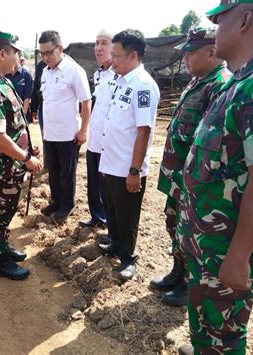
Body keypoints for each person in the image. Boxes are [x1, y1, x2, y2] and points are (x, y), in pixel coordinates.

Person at [176, 1, 253, 354]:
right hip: (206, 246)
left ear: (246, 20)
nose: (214, 27)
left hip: (225, 251)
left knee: (223, 338)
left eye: (220, 19)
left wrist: (239, 255)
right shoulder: (235, 84)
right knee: (206, 328)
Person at [149, 28, 230, 308]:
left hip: (195, 180)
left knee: (191, 234)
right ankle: (178, 272)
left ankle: (189, 285)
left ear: (211, 51)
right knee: (174, 225)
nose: (185, 58)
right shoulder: (198, 81)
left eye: (191, 52)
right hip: (177, 176)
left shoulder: (220, 85)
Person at [0, 28, 42, 280]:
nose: (18, 58)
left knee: (5, 210)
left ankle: (3, 246)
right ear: (3, 53)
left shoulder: (1, 82)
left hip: (10, 164)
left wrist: (26, 147)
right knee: (0, 212)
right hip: (3, 166)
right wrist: (26, 158)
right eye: (16, 53)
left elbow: (13, 126)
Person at [98, 29, 160, 281]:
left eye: (116, 55)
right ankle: (115, 243)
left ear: (133, 55)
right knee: (113, 211)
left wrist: (135, 171)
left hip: (128, 168)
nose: (112, 60)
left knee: (127, 216)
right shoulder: (122, 81)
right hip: (111, 163)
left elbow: (143, 132)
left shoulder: (143, 86)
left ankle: (128, 258)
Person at [38, 30, 92, 223]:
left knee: (66, 172)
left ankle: (67, 204)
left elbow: (86, 101)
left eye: (49, 53)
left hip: (69, 134)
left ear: (60, 48)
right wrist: (45, 128)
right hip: (50, 132)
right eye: (41, 54)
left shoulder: (74, 71)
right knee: (53, 170)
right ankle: (56, 200)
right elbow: (48, 102)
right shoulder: (45, 72)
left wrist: (84, 130)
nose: (45, 58)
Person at [79, 30, 116, 231]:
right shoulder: (98, 74)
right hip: (94, 140)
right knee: (93, 183)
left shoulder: (119, 75)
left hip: (108, 143)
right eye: (96, 43)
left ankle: (109, 224)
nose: (98, 48)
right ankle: (96, 216)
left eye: (104, 43)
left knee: (107, 187)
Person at [5, 52, 33, 121]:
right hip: (7, 113)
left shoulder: (26, 75)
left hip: (21, 112)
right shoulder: (5, 74)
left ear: (19, 59)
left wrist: (23, 115)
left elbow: (27, 97)